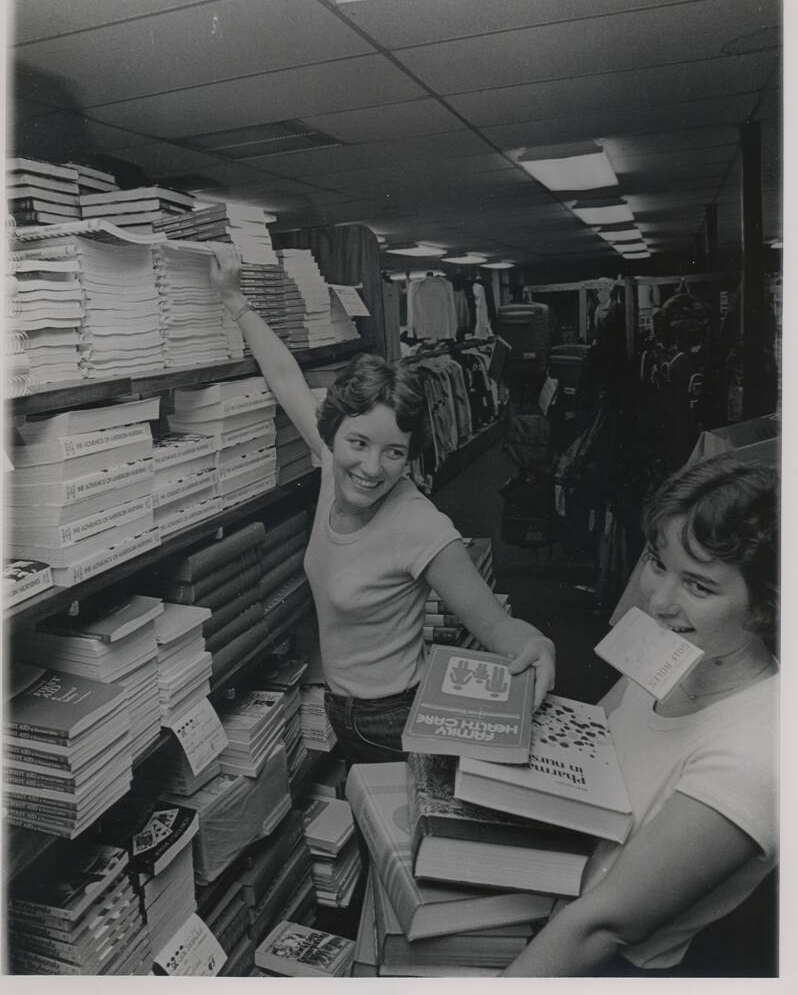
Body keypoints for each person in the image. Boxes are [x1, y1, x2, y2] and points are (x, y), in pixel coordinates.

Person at [210, 245, 556, 763]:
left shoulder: (419, 525)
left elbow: (497, 627)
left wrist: (538, 645)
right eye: (359, 444)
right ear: (334, 436)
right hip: (341, 708)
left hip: (392, 719)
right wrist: (235, 302)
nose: (372, 468)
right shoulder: (332, 467)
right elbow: (285, 377)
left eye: (394, 452)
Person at [503, 452, 778, 976]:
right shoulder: (672, 645)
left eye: (698, 585)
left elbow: (604, 927)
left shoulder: (759, 754)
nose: (658, 601)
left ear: (766, 606)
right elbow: (592, 745)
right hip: (547, 884)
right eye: (657, 562)